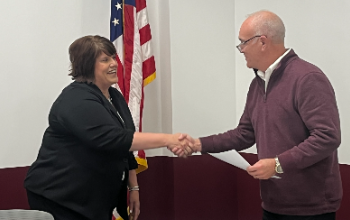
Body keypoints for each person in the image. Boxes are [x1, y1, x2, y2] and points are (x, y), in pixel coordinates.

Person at [173, 10, 342, 220]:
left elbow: (327, 137)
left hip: (310, 209)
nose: (241, 49)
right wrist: (199, 144)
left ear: (263, 42)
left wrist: (278, 164)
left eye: (243, 43)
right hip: (273, 204)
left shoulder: (308, 78)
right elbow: (244, 134)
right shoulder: (257, 84)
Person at [24, 35, 189, 220]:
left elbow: (125, 145)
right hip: (61, 199)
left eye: (113, 57)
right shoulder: (76, 99)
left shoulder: (114, 96)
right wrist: (168, 139)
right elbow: (114, 139)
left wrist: (133, 187)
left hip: (94, 199)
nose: (114, 63)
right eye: (105, 60)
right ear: (86, 65)